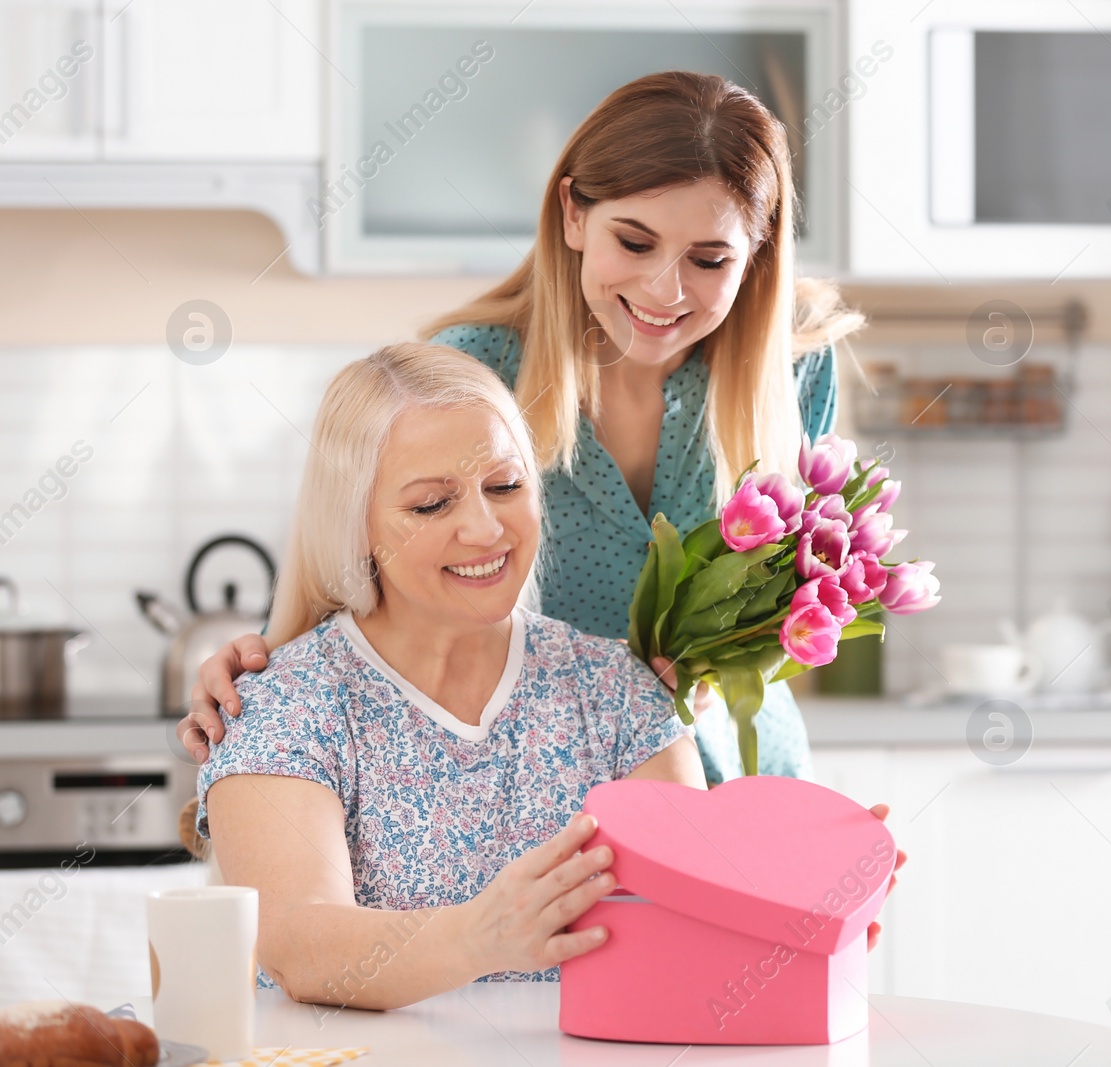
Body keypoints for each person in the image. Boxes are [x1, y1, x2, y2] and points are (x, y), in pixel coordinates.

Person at [179, 70, 863, 785]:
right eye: (634, 243)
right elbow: (370, 566)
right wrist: (264, 661)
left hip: (740, 775)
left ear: (756, 253)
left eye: (709, 259)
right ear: (573, 213)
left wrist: (719, 668)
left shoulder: (795, 371)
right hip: (537, 791)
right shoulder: (474, 372)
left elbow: (790, 605)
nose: (666, 290)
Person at [197, 344, 706, 1008]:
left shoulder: (615, 691)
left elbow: (692, 918)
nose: (484, 527)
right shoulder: (286, 703)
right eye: (432, 504)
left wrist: (801, 908)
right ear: (355, 528)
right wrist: (479, 937)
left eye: (505, 486)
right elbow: (298, 944)